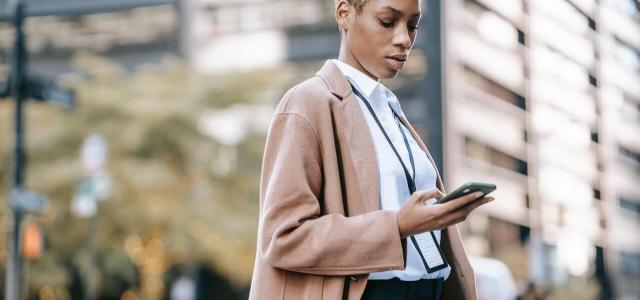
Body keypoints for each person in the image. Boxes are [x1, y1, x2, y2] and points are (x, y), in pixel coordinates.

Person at [248, 0, 494, 299]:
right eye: (388, 22)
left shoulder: (388, 109)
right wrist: (397, 225)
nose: (404, 39)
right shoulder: (308, 102)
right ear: (344, 13)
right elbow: (283, 238)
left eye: (413, 25)